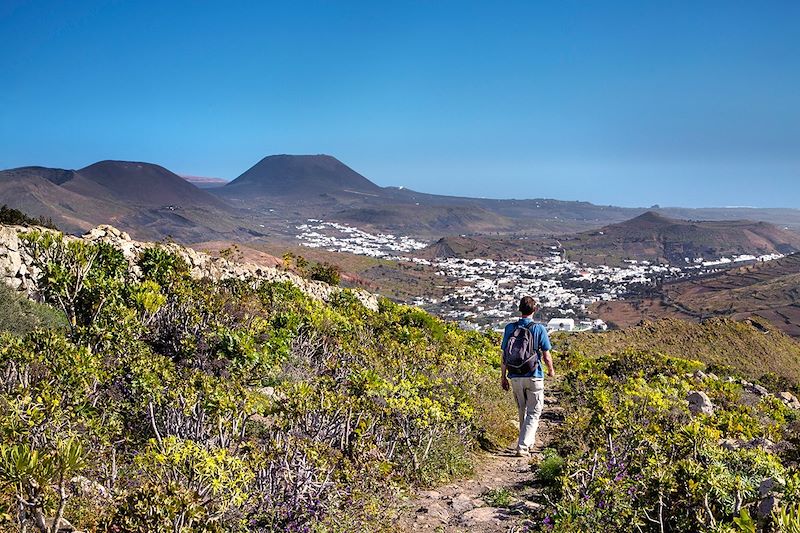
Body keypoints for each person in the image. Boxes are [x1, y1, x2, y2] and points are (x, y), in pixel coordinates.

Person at [500, 296, 555, 457]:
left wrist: (503, 376)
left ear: (520, 309)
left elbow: (504, 355)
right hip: (534, 375)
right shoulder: (539, 329)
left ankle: (526, 441)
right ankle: (523, 446)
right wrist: (551, 370)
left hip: (515, 375)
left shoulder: (510, 328)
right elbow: (546, 355)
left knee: (522, 410)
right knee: (534, 412)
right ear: (535, 310)